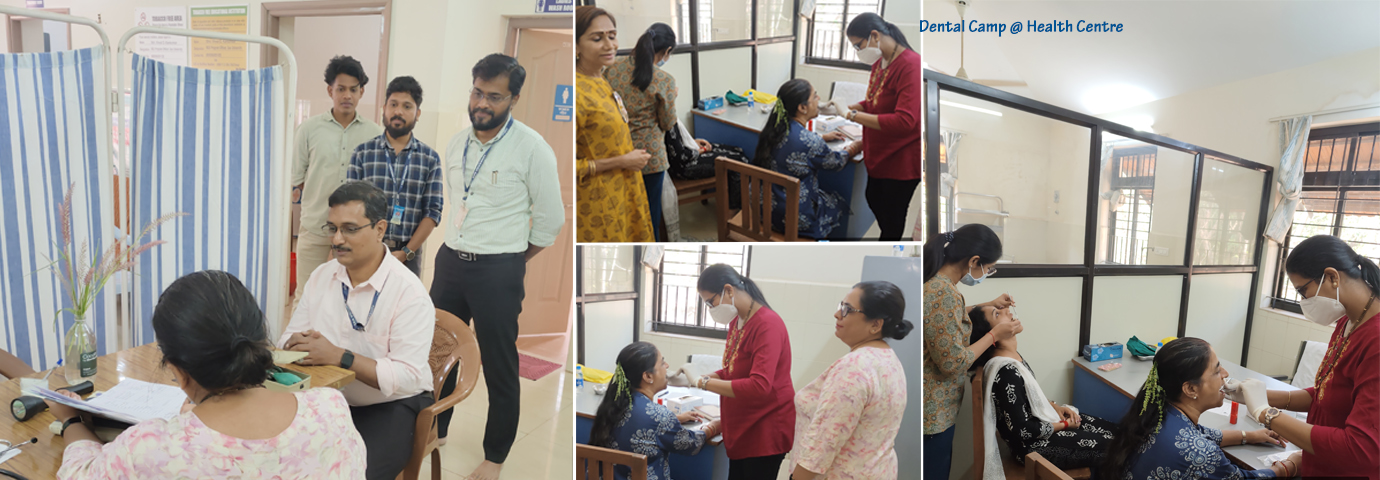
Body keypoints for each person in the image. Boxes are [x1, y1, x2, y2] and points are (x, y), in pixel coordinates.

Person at [45, 270, 367, 479]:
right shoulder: (331, 408)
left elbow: (80, 473)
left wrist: (71, 420)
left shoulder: (151, 449)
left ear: (178, 370)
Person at [434, 53, 565, 480]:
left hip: (498, 270)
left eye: (494, 96)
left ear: (514, 99)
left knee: (498, 363)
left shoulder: (532, 148)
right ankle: (435, 431)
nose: (482, 103)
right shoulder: (457, 143)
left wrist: (512, 259)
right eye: (477, 92)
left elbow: (551, 220)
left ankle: (495, 456)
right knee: (438, 353)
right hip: (451, 261)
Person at [278, 181, 436, 480]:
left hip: (389, 404)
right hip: (325, 397)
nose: (337, 239)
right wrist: (296, 345)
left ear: (380, 229)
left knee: (352, 474)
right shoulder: (322, 276)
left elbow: (406, 375)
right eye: (332, 228)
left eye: (350, 229)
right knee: (278, 458)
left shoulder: (408, 293)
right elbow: (287, 338)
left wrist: (340, 356)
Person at [1224, 234, 1379, 479]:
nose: (1303, 301)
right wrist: (1255, 396)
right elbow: (1326, 395)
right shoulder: (1348, 321)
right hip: (1320, 464)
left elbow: (1360, 449)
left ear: (1332, 277)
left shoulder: (1375, 341)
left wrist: (1266, 412)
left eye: (1303, 290)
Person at [1101, 338, 1295, 479]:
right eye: (1217, 370)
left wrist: (1249, 436)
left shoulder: (1158, 412)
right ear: (1191, 389)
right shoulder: (1201, 453)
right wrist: (1288, 467)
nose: (1225, 374)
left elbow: (1203, 434)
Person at [969, 305, 1123, 474]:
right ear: (992, 336)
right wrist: (1064, 424)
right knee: (1117, 447)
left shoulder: (1012, 358)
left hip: (1041, 428)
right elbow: (1023, 430)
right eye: (997, 314)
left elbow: (1028, 398)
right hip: (1032, 447)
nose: (1008, 311)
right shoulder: (1005, 371)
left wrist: (1054, 407)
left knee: (1118, 433)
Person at [922, 223, 1022, 479]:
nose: (986, 274)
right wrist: (994, 335)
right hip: (932, 414)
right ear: (974, 261)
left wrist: (989, 304)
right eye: (988, 268)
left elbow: (946, 319)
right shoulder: (943, 292)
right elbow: (953, 363)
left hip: (934, 411)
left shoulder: (940, 287)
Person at [682, 264, 795, 479]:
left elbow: (759, 385)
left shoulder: (767, 324)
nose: (710, 308)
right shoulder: (737, 321)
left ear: (728, 290)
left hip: (765, 428)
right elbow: (732, 370)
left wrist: (701, 382)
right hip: (743, 424)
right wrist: (697, 378)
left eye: (710, 302)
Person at [790, 281, 911, 480]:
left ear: (875, 325)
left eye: (847, 309)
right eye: (841, 306)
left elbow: (823, 443)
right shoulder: (889, 359)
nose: (837, 314)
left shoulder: (854, 367)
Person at [293, 55, 383, 298]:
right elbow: (296, 178)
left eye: (353, 89)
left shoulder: (374, 134)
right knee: (306, 294)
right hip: (315, 226)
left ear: (362, 92)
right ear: (330, 90)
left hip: (355, 232)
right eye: (341, 89)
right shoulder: (309, 129)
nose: (347, 96)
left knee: (349, 295)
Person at [347, 76, 443, 276]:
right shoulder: (363, 154)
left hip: (409, 255)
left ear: (417, 113)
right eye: (393, 104)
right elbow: (350, 206)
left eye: (407, 106)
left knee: (405, 298)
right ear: (384, 109)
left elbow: (433, 212)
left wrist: (407, 252)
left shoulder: (429, 159)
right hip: (367, 249)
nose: (398, 111)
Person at [575, 6, 655, 243]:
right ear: (576, 46)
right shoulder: (574, 92)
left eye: (612, 36)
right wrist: (621, 161)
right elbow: (564, 168)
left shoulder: (599, 78)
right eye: (597, 38)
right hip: (597, 201)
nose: (609, 45)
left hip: (623, 188)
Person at [837, 13, 920, 241]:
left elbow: (905, 121)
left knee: (891, 220)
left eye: (858, 45)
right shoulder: (880, 62)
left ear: (874, 35)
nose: (857, 51)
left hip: (900, 160)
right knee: (873, 198)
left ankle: (890, 246)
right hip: (879, 154)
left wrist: (853, 115)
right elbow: (875, 101)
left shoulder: (911, 65)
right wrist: (850, 107)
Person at [590, 342, 722, 480]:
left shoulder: (613, 404)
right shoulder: (660, 417)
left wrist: (675, 418)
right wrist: (712, 428)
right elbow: (690, 444)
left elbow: (635, 422)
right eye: (662, 363)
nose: (667, 366)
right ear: (648, 376)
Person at [604, 22, 677, 242]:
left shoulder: (612, 70)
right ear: (667, 51)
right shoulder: (664, 81)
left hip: (617, 153)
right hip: (649, 157)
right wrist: (673, 97)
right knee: (649, 215)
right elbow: (668, 123)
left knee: (621, 213)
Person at [755, 78, 850, 239]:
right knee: (837, 202)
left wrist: (821, 137)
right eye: (815, 96)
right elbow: (836, 162)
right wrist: (853, 148)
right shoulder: (811, 142)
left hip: (763, 210)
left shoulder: (772, 130)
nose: (819, 99)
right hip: (793, 219)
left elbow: (793, 142)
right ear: (802, 107)